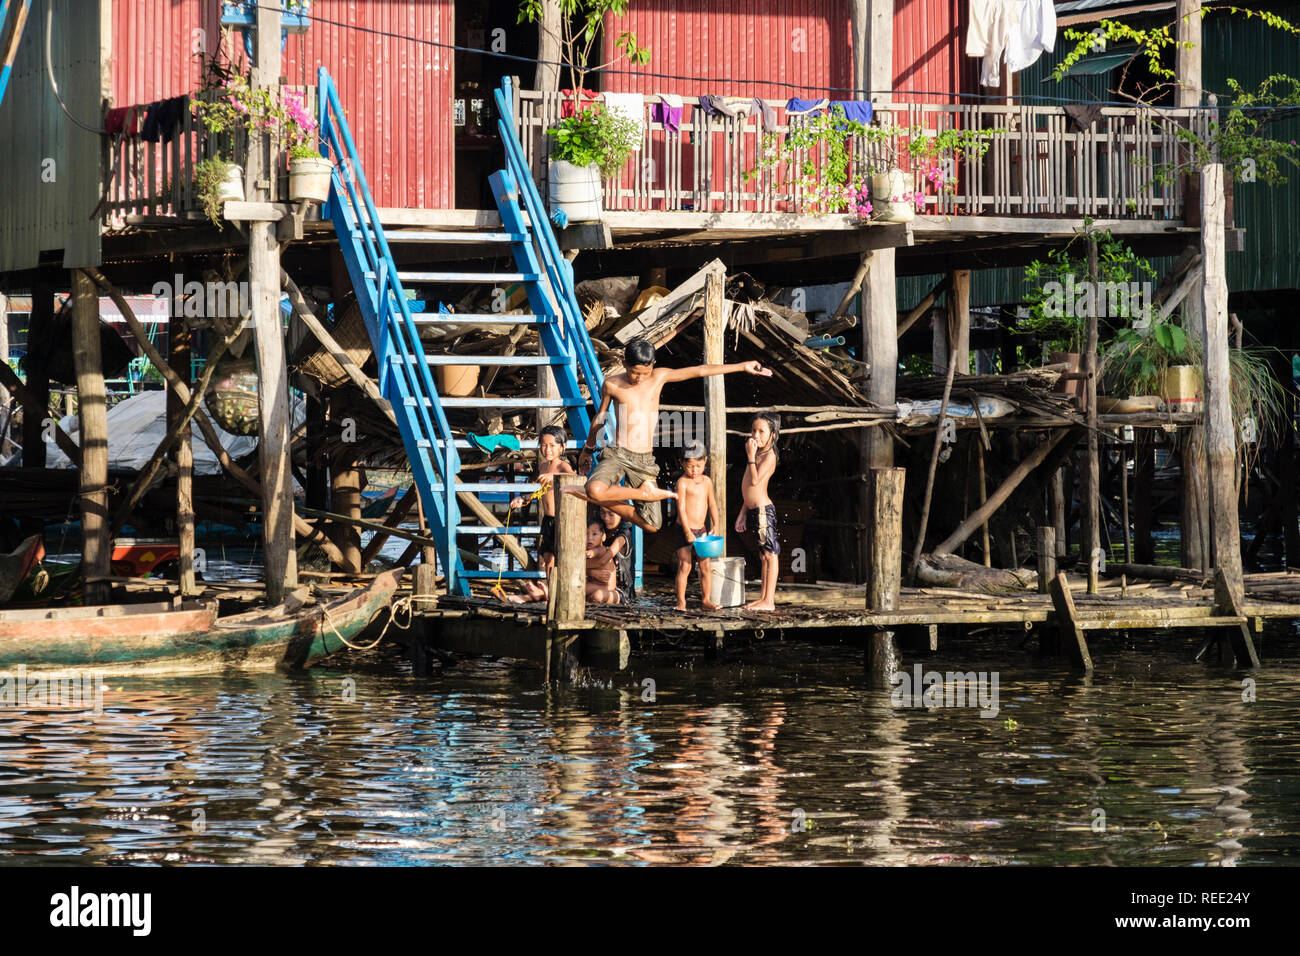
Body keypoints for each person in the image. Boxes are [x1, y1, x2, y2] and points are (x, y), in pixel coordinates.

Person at [569, 337, 773, 532]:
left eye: (645, 373)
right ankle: (616, 494)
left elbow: (700, 370)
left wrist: (741, 366)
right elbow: (599, 419)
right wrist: (588, 449)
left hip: (644, 461)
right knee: (595, 489)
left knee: (652, 525)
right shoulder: (612, 384)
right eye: (634, 373)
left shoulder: (659, 377)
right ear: (624, 363)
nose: (639, 378)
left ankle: (604, 496)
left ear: (654, 365)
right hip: (618, 454)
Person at [509, 425, 573, 572]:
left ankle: (558, 591)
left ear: (562, 447)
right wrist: (524, 499)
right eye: (543, 445)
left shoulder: (563, 466)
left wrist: (555, 477)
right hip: (548, 521)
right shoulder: (543, 467)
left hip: (561, 520)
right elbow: (539, 490)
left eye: (552, 445)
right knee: (547, 557)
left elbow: (575, 477)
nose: (547, 449)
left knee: (562, 558)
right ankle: (550, 592)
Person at [735, 411, 780, 611]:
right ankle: (763, 598)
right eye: (753, 431)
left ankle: (769, 600)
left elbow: (755, 481)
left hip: (763, 511)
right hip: (753, 509)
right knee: (763, 555)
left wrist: (750, 456)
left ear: (773, 435)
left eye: (761, 432)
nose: (756, 436)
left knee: (770, 554)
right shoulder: (757, 455)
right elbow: (749, 489)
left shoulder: (769, 456)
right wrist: (742, 512)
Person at [673, 441, 720, 612]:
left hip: (701, 530)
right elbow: (681, 509)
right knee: (685, 565)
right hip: (684, 528)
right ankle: (681, 602)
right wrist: (686, 531)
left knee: (705, 566)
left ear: (705, 461)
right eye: (690, 466)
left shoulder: (707, 481)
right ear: (682, 463)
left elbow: (712, 504)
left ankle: (706, 600)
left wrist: (716, 523)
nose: (694, 471)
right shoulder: (682, 483)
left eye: (698, 466)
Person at [600, 506, 636, 606]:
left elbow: (604, 559)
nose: (606, 518)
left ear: (621, 514)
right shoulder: (602, 532)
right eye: (602, 513)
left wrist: (588, 569)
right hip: (602, 584)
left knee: (597, 596)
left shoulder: (623, 536)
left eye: (611, 514)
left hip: (621, 592)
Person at [584, 520, 622, 604]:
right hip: (597, 587)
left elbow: (595, 552)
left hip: (608, 589)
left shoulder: (602, 550)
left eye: (594, 534)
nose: (590, 538)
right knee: (595, 595)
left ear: (603, 536)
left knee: (584, 589)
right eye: (586, 534)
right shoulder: (586, 549)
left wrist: (590, 553)